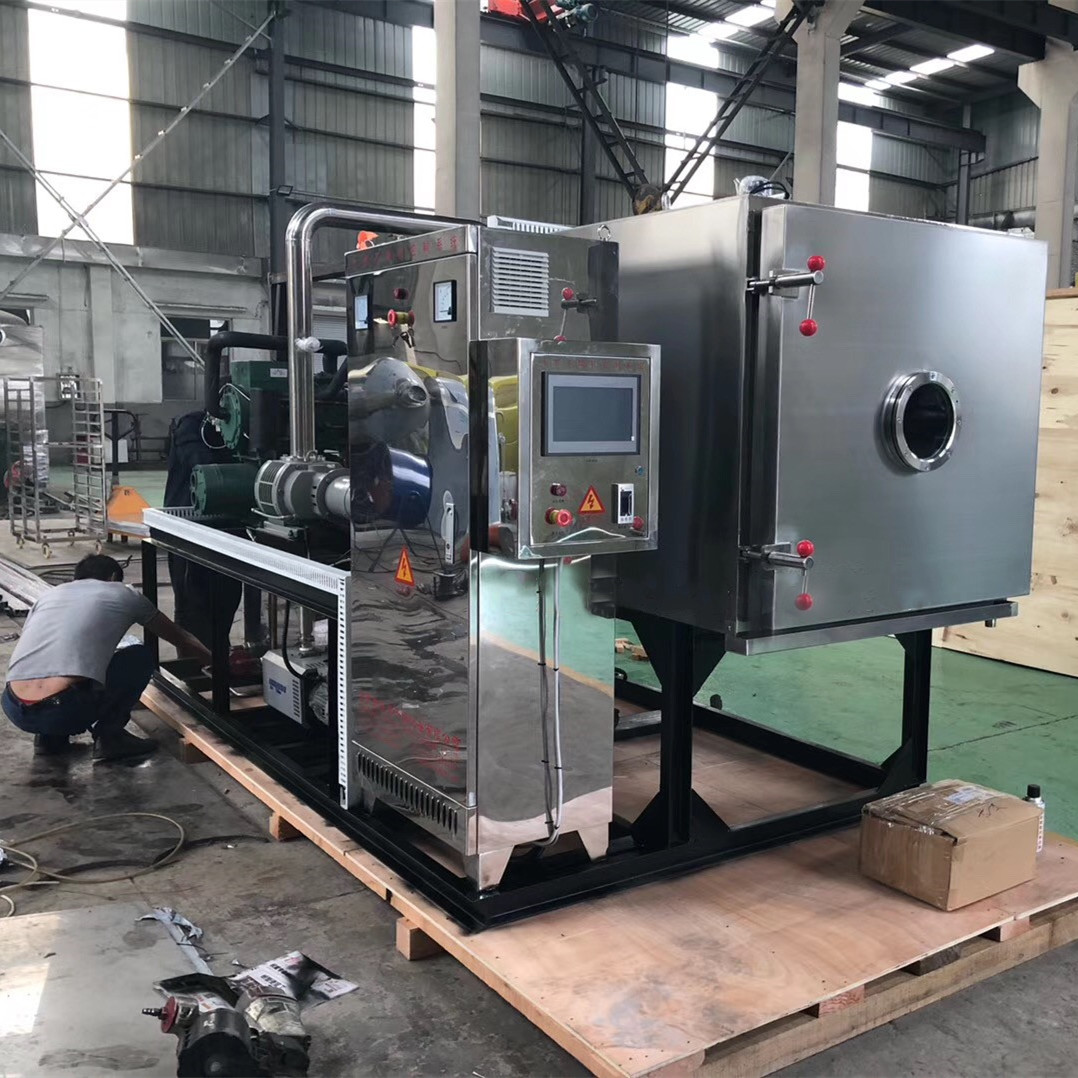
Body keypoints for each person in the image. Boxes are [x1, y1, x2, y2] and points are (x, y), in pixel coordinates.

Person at [2, 553, 211, 761]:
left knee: (60, 663)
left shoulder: (49, 596)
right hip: (62, 710)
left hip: (13, 705)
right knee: (139, 656)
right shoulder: (125, 594)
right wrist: (217, 665)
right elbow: (180, 638)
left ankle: (48, 740)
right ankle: (110, 738)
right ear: (112, 577)